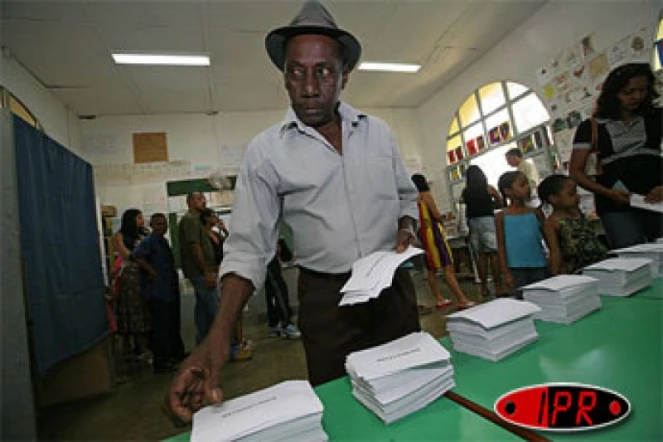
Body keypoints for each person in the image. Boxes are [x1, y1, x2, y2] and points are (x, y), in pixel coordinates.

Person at [165, 0, 421, 422]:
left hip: (394, 292)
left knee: (411, 395)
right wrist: (217, 336)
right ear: (284, 78)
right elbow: (248, 248)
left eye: (322, 71)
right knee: (342, 412)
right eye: (296, 71)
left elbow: (405, 197)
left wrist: (407, 227)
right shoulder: (267, 152)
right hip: (326, 302)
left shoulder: (378, 134)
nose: (308, 86)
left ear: (344, 77)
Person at [569, 63, 662, 249]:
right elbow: (575, 171)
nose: (637, 97)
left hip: (657, 198)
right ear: (614, 93)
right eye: (629, 92)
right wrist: (607, 193)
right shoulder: (591, 127)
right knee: (631, 256)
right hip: (615, 204)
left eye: (643, 90)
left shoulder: (656, 117)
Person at [411, 174, 475, 309]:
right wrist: (443, 219)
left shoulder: (412, 200)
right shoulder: (426, 195)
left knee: (431, 269)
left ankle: (439, 298)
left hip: (422, 235)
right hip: (434, 234)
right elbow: (436, 214)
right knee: (448, 267)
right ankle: (462, 299)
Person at [132, 213, 186, 373]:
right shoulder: (149, 242)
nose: (163, 227)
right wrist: (151, 270)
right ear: (152, 225)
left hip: (168, 289)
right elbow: (137, 255)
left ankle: (175, 355)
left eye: (164, 224)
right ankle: (161, 360)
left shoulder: (163, 242)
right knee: (161, 328)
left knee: (171, 325)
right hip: (157, 292)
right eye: (159, 224)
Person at [199, 208, 253, 361]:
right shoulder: (203, 234)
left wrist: (223, 230)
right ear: (206, 218)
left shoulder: (216, 234)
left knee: (238, 309)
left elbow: (230, 244)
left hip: (225, 270)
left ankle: (239, 341)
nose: (216, 218)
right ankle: (230, 345)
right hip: (215, 273)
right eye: (213, 216)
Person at [538, 175, 608, 275]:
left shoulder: (578, 212)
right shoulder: (551, 223)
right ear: (554, 199)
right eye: (571, 194)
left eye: (576, 192)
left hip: (600, 261)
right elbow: (555, 251)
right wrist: (556, 274)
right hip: (577, 269)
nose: (578, 196)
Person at [496, 171, 551, 296]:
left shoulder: (536, 213)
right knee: (522, 300)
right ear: (507, 191)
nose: (527, 187)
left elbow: (548, 238)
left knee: (543, 297)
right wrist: (506, 273)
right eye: (522, 184)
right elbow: (501, 246)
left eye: (527, 184)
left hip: (539, 264)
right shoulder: (501, 217)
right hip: (515, 268)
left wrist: (551, 257)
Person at [112, 208, 152, 364]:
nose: (142, 220)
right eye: (139, 218)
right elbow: (127, 255)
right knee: (134, 311)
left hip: (146, 275)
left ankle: (148, 346)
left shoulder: (145, 234)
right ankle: (139, 349)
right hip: (131, 276)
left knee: (147, 310)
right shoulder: (119, 236)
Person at [178, 193, 218, 345]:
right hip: (200, 272)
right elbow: (195, 247)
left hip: (203, 271)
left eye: (204, 198)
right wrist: (206, 271)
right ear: (189, 202)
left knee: (203, 311)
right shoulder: (190, 220)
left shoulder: (197, 221)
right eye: (199, 198)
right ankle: (229, 345)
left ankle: (202, 345)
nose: (204, 201)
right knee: (216, 310)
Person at [461, 165, 504, 297]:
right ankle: (498, 286)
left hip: (473, 223)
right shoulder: (488, 188)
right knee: (494, 254)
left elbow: (463, 208)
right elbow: (500, 202)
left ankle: (484, 287)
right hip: (488, 221)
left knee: (481, 256)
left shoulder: (465, 192)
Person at [265, 238, 301, 339]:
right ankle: (285, 323)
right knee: (279, 289)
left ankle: (274, 323)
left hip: (269, 254)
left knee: (272, 290)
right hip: (267, 256)